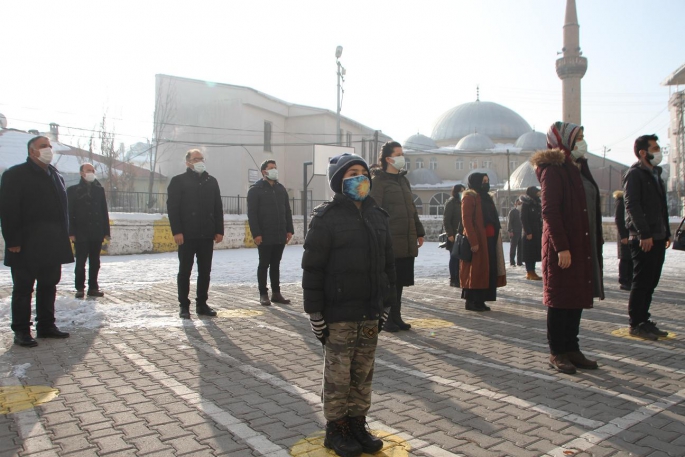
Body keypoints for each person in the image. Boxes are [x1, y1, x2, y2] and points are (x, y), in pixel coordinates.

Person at [302, 153, 395, 457]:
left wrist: (385, 304)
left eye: (363, 172)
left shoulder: (378, 216)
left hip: (369, 312)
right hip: (339, 314)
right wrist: (315, 312)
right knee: (338, 375)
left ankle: (357, 423)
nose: (360, 178)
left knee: (362, 373)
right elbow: (313, 269)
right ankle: (336, 429)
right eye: (352, 173)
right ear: (339, 181)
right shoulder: (326, 218)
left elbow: (387, 266)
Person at [532, 121, 604, 374]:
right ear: (564, 141)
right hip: (562, 245)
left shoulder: (578, 167)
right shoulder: (553, 169)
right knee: (560, 298)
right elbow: (550, 211)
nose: (583, 142)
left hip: (581, 242)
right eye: (578, 138)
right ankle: (557, 352)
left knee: (576, 296)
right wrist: (561, 246)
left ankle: (572, 347)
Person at [0, 136, 73, 347]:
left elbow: (61, 211)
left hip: (52, 243)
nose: (49, 149)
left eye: (50, 146)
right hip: (25, 244)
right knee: (23, 289)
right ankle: (22, 330)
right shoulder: (16, 175)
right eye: (44, 146)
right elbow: (8, 210)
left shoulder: (54, 175)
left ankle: (46, 326)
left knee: (49, 285)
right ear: (32, 151)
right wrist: (12, 239)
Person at [369, 141, 425, 332]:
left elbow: (411, 209)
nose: (402, 157)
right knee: (389, 282)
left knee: (399, 281)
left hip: (406, 239)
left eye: (402, 153)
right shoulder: (378, 182)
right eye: (398, 154)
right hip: (390, 239)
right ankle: (386, 319)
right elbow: (374, 210)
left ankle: (396, 316)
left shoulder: (403, 180)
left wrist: (419, 231)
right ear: (388, 158)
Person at [623, 134, 671, 340]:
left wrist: (666, 232)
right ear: (643, 153)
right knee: (641, 281)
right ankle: (635, 323)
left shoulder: (655, 174)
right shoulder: (635, 174)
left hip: (658, 236)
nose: (658, 151)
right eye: (655, 148)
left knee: (651, 281)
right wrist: (644, 233)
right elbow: (632, 205)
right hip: (643, 237)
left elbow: (661, 208)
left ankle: (644, 319)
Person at [167, 149, 224, 319]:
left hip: (206, 234)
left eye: (201, 158)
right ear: (188, 162)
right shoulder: (178, 181)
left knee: (205, 271)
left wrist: (219, 230)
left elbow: (217, 207)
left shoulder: (211, 181)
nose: (199, 161)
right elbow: (173, 209)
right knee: (185, 271)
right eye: (195, 159)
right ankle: (184, 306)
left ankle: (202, 304)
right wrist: (177, 231)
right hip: (187, 235)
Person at [247, 159, 294, 306]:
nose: (275, 170)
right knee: (264, 264)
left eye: (276, 167)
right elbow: (252, 214)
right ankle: (263, 293)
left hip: (280, 233)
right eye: (271, 168)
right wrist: (256, 234)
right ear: (264, 172)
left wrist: (289, 230)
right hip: (264, 234)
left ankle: (276, 293)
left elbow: (287, 210)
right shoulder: (255, 190)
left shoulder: (280, 189)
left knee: (276, 264)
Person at [460, 172, 507, 312]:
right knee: (475, 271)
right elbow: (466, 220)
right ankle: (471, 301)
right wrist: (473, 240)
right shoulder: (469, 197)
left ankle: (481, 300)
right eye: (483, 181)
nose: (486, 184)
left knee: (487, 270)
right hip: (478, 240)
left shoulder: (486, 197)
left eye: (487, 181)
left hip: (489, 241)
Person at [67, 163, 110, 298]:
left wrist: (106, 232)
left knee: (95, 262)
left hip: (96, 231)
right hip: (80, 232)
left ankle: (93, 287)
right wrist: (71, 232)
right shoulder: (73, 190)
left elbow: (104, 211)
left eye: (92, 170)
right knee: (80, 262)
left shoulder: (99, 189)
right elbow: (69, 212)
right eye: (88, 170)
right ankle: (80, 287)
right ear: (81, 173)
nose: (91, 172)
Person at [443, 184, 465, 287]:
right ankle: (454, 278)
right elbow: (446, 220)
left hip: (463, 235)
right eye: (460, 191)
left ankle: (460, 277)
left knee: (462, 258)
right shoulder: (451, 203)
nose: (462, 193)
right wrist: (450, 234)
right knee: (454, 257)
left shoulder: (464, 202)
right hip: (454, 235)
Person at [520, 186, 543, 280]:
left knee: (534, 252)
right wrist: (528, 231)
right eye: (537, 192)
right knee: (529, 253)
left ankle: (533, 271)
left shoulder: (536, 203)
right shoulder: (526, 204)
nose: (539, 193)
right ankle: (529, 272)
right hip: (529, 233)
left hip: (537, 231)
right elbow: (524, 218)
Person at [613, 190, 632, 291]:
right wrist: (623, 235)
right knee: (625, 258)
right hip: (624, 234)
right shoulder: (621, 200)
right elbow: (618, 219)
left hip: (631, 233)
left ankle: (630, 279)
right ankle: (624, 281)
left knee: (631, 258)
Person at [507, 198, 524, 267]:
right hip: (514, 232)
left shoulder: (522, 212)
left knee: (520, 247)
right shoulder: (512, 212)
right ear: (515, 204)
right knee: (513, 247)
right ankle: (512, 262)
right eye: (518, 203)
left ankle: (519, 262)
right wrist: (510, 230)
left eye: (520, 203)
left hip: (521, 232)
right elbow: (509, 222)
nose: (520, 205)